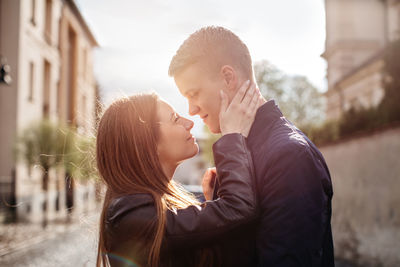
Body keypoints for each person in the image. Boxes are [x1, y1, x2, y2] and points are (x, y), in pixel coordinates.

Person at [169, 26, 335, 267]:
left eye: (194, 94)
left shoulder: (289, 156)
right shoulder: (240, 151)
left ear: (228, 77)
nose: (191, 110)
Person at [95, 82, 262, 267]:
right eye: (175, 119)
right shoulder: (133, 217)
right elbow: (239, 207)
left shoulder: (145, 207)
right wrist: (232, 135)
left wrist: (213, 201)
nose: (190, 123)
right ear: (146, 143)